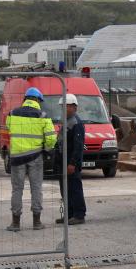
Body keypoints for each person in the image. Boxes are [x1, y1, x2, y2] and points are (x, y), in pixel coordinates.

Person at [6, 87, 57, 232]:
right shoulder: (43, 116)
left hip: (16, 157)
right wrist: (47, 149)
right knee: (36, 188)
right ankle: (37, 222)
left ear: (25, 99)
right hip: (35, 157)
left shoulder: (12, 113)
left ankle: (15, 223)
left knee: (17, 189)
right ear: (38, 100)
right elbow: (51, 138)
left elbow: (10, 129)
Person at [55, 94, 87, 225]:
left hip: (71, 162)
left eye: (66, 106)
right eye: (62, 106)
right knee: (65, 190)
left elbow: (78, 146)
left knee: (75, 189)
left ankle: (79, 215)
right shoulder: (66, 121)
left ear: (74, 107)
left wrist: (72, 163)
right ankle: (69, 214)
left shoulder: (76, 123)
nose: (64, 109)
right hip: (63, 161)